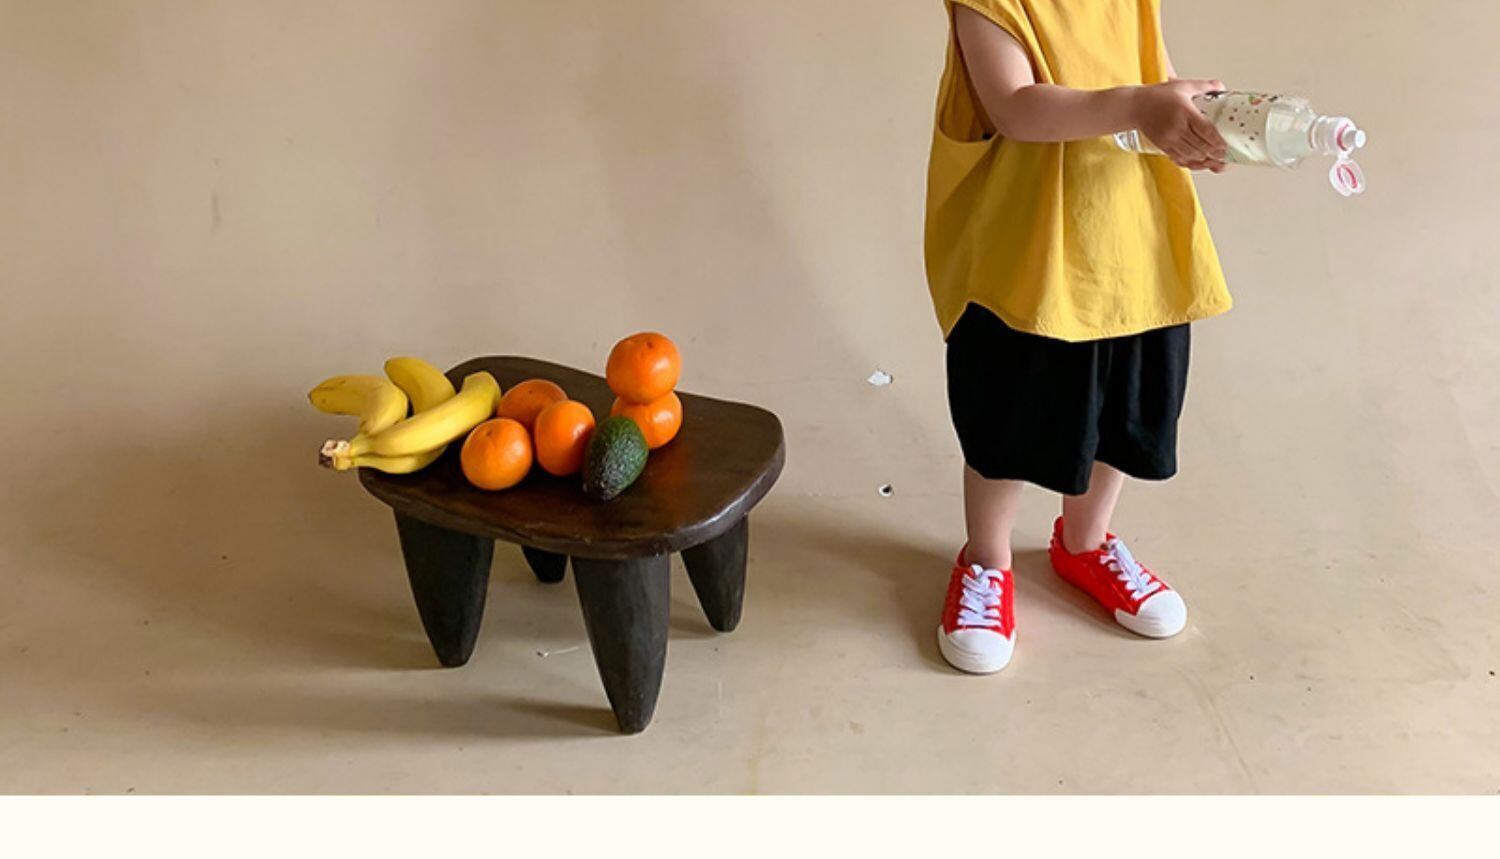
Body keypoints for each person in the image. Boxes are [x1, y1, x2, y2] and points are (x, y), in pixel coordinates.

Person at [926, 0, 1234, 674]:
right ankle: (987, 559)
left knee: (1123, 407)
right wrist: (1140, 106)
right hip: (1025, 252)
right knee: (1006, 418)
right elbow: (1014, 106)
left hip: (1129, 240)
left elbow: (1157, 76)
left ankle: (1085, 543)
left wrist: (1191, 122)